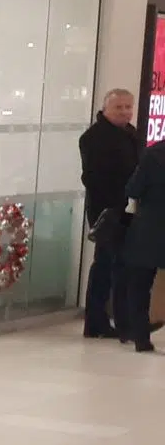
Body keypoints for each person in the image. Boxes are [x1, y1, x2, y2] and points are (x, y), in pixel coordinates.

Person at [80, 88, 140, 339]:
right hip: (106, 210)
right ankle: (95, 321)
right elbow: (93, 178)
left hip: (125, 208)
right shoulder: (94, 138)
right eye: (119, 107)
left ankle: (121, 321)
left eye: (128, 107)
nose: (125, 112)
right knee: (105, 264)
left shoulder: (130, 134)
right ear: (106, 109)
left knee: (121, 265)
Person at [119, 137, 165, 353]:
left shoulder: (153, 155)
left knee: (139, 286)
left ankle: (141, 338)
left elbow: (133, 189)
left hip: (150, 229)